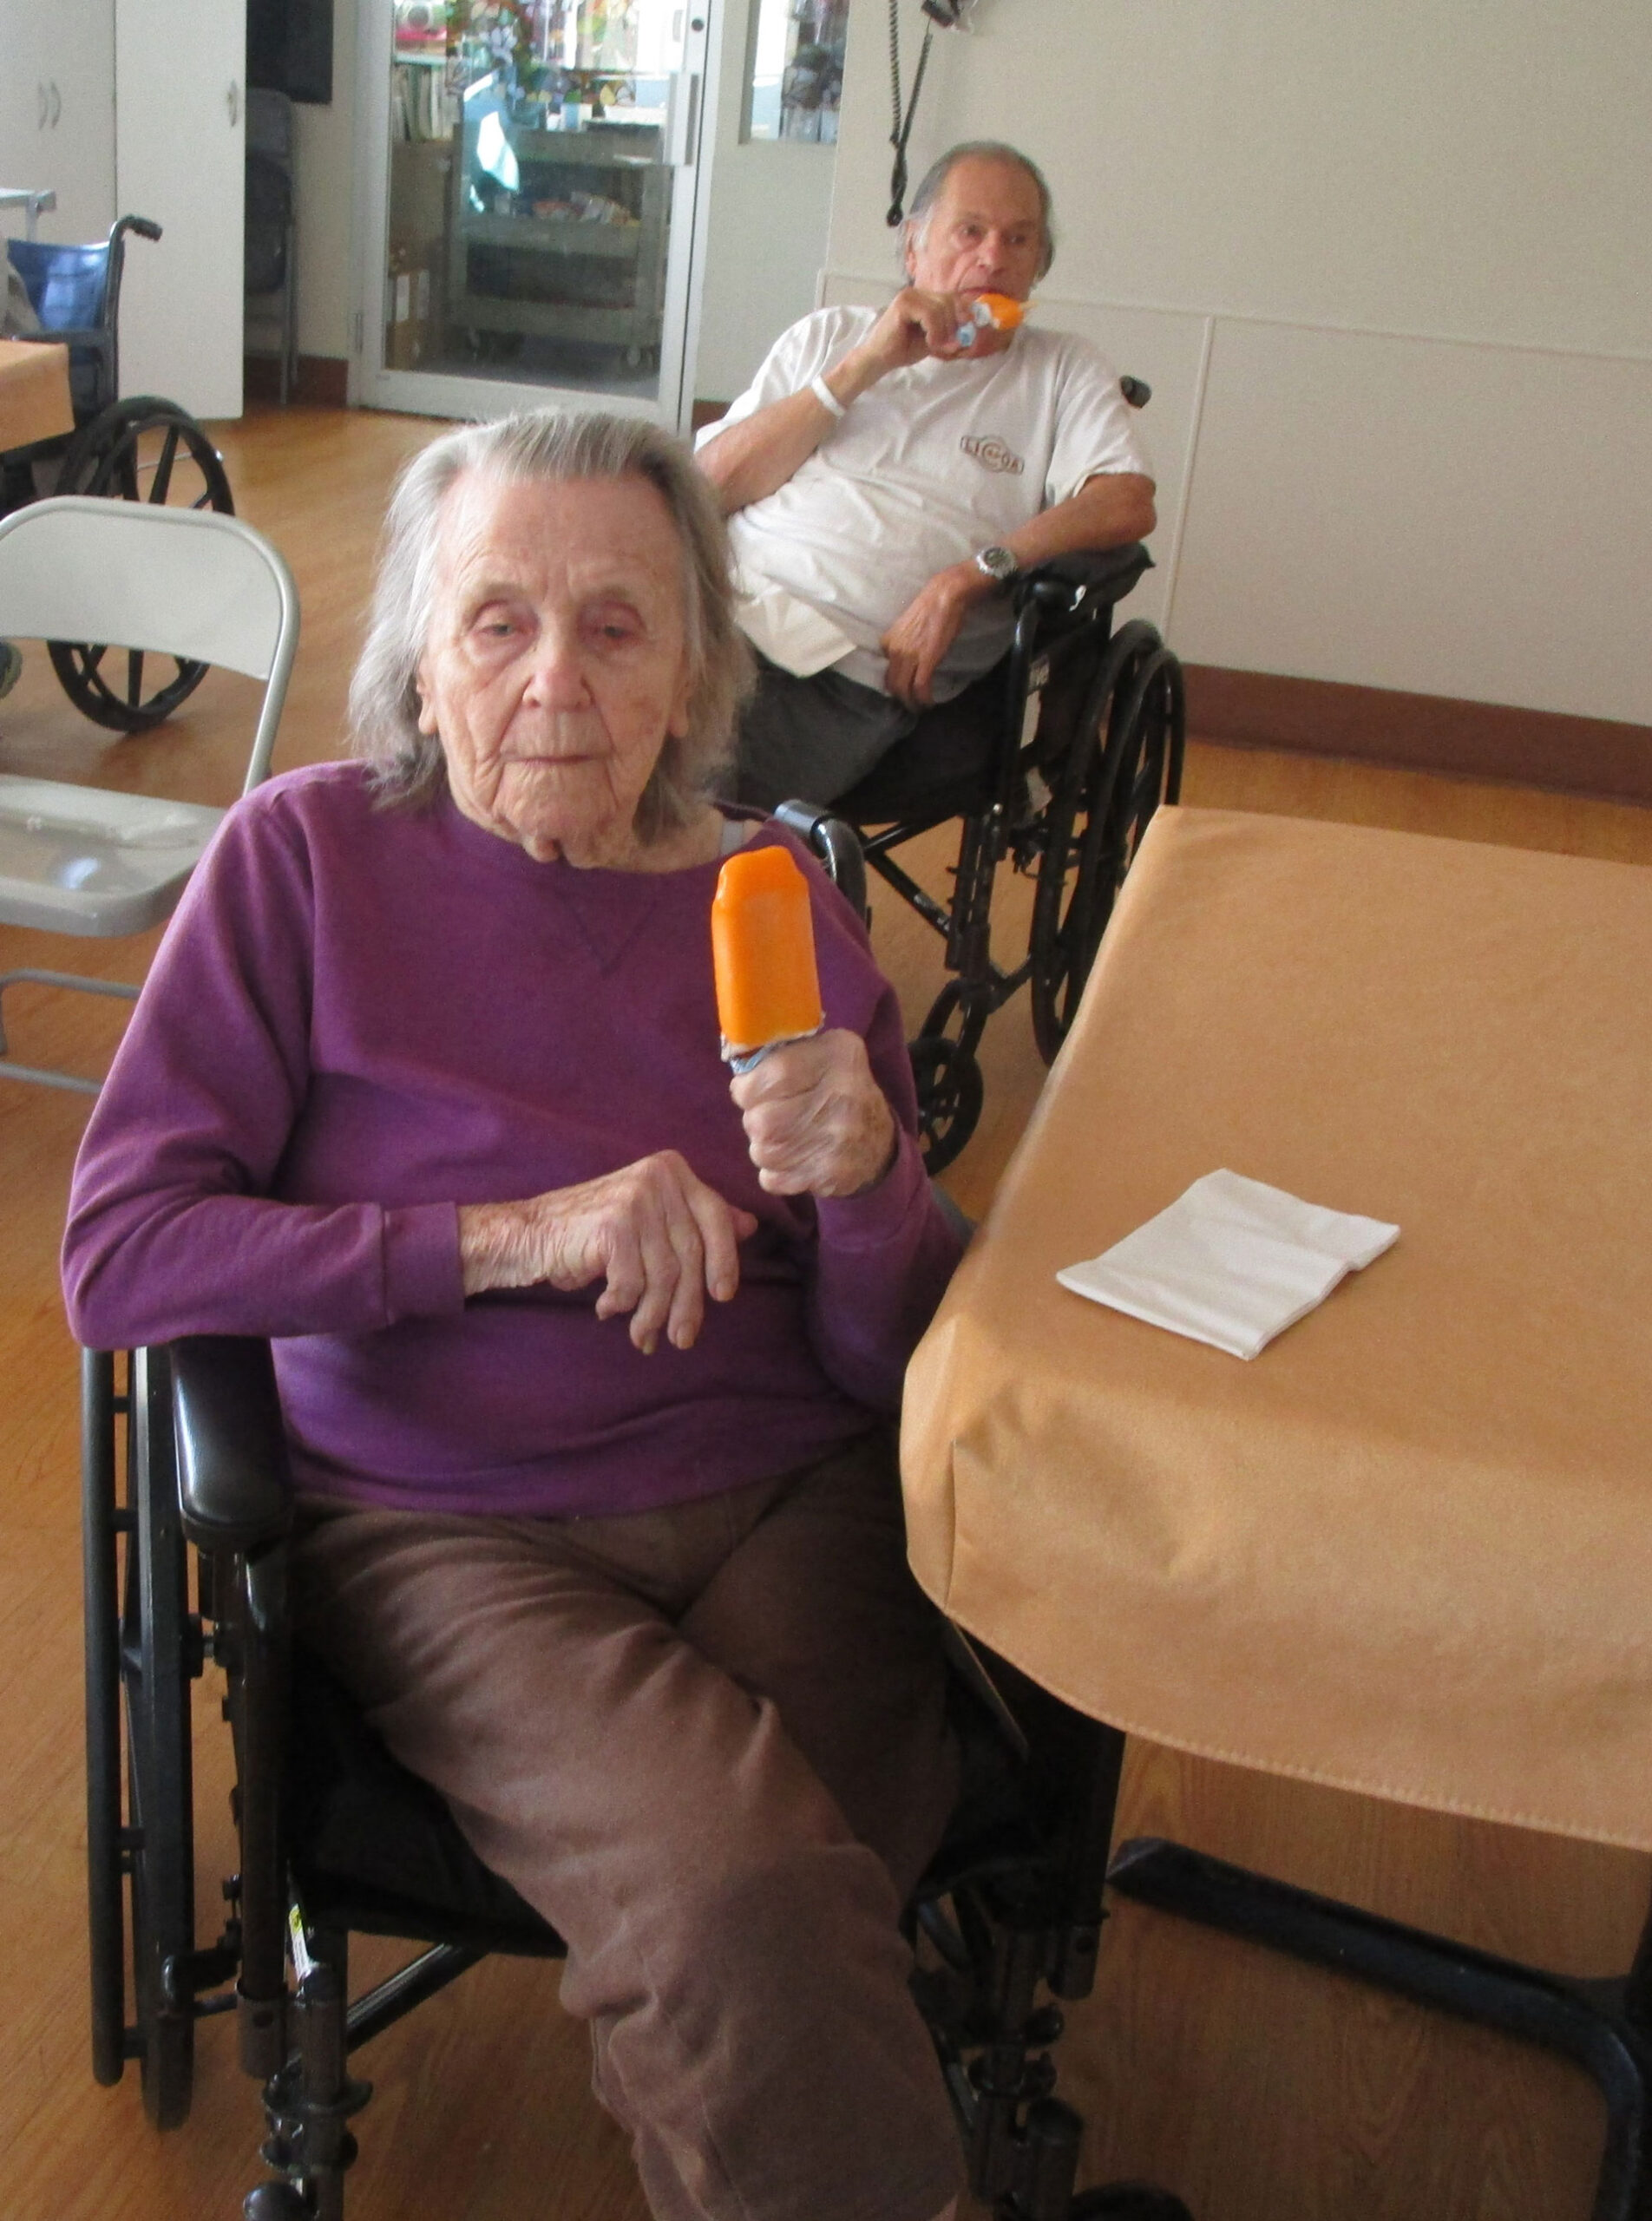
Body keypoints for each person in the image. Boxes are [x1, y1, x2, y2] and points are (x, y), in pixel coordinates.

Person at [62, 409, 967, 2221]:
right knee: (752, 1904)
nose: (556, 677)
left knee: (795, 1895)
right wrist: (505, 1237)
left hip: (794, 1480)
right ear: (415, 649)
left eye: (618, 626)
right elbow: (124, 1251)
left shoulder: (771, 898)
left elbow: (894, 1352)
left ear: (698, 664)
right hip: (451, 1516)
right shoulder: (305, 863)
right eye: (496, 620)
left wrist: (866, 1178)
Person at [696, 141, 1157, 809]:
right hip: (712, 612)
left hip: (836, 666)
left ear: (1037, 265)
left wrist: (969, 576)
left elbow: (1126, 500)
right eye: (970, 232)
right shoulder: (831, 337)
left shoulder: (1060, 370)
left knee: (682, 798)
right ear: (914, 248)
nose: (993, 257)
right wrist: (864, 366)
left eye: (1019, 240)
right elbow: (708, 485)